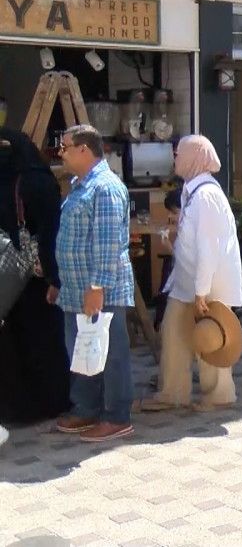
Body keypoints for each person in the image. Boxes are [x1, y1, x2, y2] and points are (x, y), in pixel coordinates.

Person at [138, 135, 242, 413]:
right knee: (173, 333)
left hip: (206, 285)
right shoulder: (194, 191)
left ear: (194, 158)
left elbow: (209, 247)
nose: (175, 159)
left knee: (210, 336)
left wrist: (201, 291)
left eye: (179, 154)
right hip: (188, 283)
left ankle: (219, 396)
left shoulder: (205, 196)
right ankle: (172, 393)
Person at [52, 124, 135, 442]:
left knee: (111, 353)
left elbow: (107, 243)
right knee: (82, 351)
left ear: (84, 150)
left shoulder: (106, 187)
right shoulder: (80, 185)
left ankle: (117, 416)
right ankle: (86, 409)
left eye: (66, 147)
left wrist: (97, 287)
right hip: (76, 290)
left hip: (101, 290)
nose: (62, 153)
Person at [0, 128, 69, 426]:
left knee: (13, 341)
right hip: (36, 275)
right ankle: (51, 402)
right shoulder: (40, 181)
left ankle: (17, 407)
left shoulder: (8, 180)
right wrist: (55, 276)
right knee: (45, 340)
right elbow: (52, 232)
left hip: (7, 277)